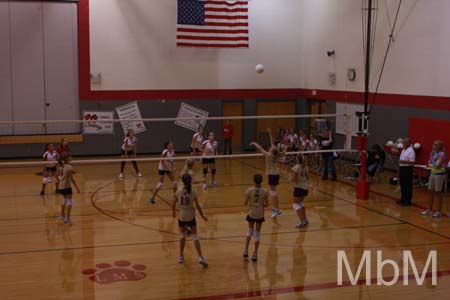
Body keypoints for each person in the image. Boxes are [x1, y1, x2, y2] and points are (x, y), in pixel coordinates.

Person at [172, 174, 208, 267]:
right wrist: (203, 217)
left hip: (182, 216)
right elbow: (198, 206)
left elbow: (173, 203)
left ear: (182, 181)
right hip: (190, 216)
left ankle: (180, 256)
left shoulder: (179, 191)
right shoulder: (193, 191)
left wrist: (173, 212)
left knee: (182, 236)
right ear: (190, 181)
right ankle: (200, 257)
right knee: (195, 237)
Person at [250, 128, 282, 218]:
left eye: (271, 146)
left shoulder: (269, 155)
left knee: (273, 193)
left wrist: (255, 143)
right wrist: (270, 133)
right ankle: (277, 209)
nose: (270, 146)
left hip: (272, 174)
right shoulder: (276, 152)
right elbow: (272, 144)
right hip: (276, 173)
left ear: (272, 149)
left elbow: (261, 149)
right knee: (274, 192)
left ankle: (276, 210)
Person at [243, 174, 268, 262]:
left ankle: (245, 251)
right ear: (261, 181)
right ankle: (255, 254)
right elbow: (266, 205)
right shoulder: (265, 191)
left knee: (250, 231)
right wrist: (260, 203)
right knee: (257, 234)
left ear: (254, 181)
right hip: (260, 213)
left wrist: (251, 201)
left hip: (252, 212)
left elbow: (245, 203)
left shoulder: (249, 190)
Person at [421, 140, 447, 218]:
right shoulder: (432, 153)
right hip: (432, 173)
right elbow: (429, 163)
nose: (433, 145)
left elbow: (437, 165)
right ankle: (429, 209)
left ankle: (438, 211)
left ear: (439, 146)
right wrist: (432, 163)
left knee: (438, 192)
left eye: (435, 144)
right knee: (430, 191)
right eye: (433, 144)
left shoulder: (442, 154)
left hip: (439, 174)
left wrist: (432, 163)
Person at [58, 155, 80, 224]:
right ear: (67, 159)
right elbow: (72, 179)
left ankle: (62, 216)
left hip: (61, 186)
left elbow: (57, 175)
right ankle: (67, 218)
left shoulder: (61, 167)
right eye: (70, 157)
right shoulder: (69, 167)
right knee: (70, 201)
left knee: (65, 200)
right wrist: (77, 188)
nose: (71, 157)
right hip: (66, 186)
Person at [291, 154, 309, 228]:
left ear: (297, 159)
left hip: (299, 187)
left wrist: (291, 180)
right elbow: (307, 178)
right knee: (300, 203)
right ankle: (305, 220)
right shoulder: (306, 167)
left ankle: (302, 222)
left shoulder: (296, 167)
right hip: (305, 187)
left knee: (295, 204)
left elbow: (294, 179)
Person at [398, 138, 415, 206]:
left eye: (405, 142)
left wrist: (403, 162)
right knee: (402, 184)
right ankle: (403, 199)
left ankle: (408, 201)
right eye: (403, 142)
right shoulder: (403, 150)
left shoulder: (411, 151)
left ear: (409, 143)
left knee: (407, 185)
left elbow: (412, 162)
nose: (403, 144)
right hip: (402, 168)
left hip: (407, 169)